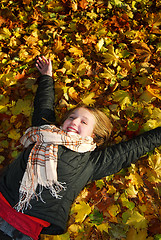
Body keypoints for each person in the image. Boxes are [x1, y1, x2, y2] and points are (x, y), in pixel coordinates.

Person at [0, 56, 161, 240]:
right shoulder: (45, 132)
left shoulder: (91, 163)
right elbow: (44, 105)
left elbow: (134, 148)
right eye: (71, 117)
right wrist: (47, 76)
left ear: (94, 135)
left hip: (22, 230)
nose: (74, 122)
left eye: (83, 121)